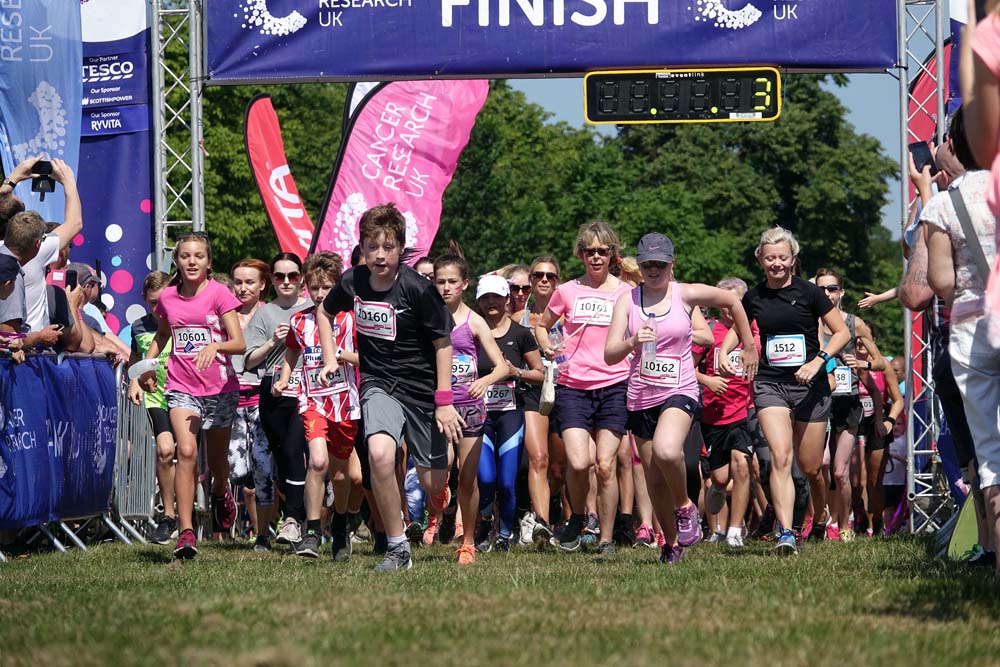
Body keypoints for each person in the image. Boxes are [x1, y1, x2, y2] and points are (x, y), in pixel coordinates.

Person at [316, 203, 462, 572]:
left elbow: (443, 343)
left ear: (400, 248)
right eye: (372, 246)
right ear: (362, 247)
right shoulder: (353, 280)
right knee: (380, 454)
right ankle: (398, 549)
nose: (380, 255)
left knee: (432, 485)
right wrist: (331, 356)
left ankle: (440, 488)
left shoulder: (418, 289)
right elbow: (325, 311)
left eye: (388, 247)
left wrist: (444, 402)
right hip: (379, 383)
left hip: (422, 389)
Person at [606, 234, 757, 564]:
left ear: (672, 264)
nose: (653, 269)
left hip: (679, 389)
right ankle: (671, 544)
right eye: (647, 264)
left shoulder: (685, 293)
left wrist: (746, 344)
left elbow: (733, 302)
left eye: (660, 263)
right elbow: (609, 355)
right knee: (653, 478)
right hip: (641, 395)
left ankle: (686, 507)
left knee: (666, 450)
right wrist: (633, 341)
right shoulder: (627, 300)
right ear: (640, 266)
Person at [723, 226, 850, 555]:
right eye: (770, 258)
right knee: (780, 457)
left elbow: (840, 334)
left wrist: (818, 361)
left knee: (810, 467)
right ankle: (786, 532)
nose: (776, 263)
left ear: (793, 259)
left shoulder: (810, 293)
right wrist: (726, 351)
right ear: (760, 260)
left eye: (782, 257)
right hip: (770, 384)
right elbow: (739, 326)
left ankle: (820, 517)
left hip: (810, 386)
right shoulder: (754, 297)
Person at [137, 233, 245, 559]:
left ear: (209, 263)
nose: (192, 261)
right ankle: (186, 532)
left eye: (199, 256)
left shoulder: (219, 294)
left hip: (220, 388)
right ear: (177, 261)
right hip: (181, 385)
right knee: (186, 452)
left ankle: (219, 492)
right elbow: (162, 334)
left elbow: (238, 342)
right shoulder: (168, 298)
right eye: (185, 256)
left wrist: (216, 345)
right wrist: (146, 366)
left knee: (217, 464)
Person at [925, 107, 1000, 577]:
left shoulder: (942, 205)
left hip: (975, 332)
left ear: (952, 145)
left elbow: (940, 281)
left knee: (991, 456)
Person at [535, 221, 633, 554]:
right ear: (580, 254)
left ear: (612, 255)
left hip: (614, 385)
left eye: (602, 251)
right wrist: (547, 345)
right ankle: (578, 516)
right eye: (589, 251)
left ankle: (606, 538)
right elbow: (542, 325)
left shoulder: (626, 293)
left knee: (605, 465)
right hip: (573, 386)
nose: (595, 257)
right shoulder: (567, 291)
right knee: (578, 463)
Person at [275, 252, 362, 561]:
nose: (320, 294)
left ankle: (339, 524)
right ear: (305, 289)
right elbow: (291, 350)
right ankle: (311, 531)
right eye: (314, 288)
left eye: (326, 287)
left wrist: (341, 356)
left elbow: (371, 359)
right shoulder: (299, 320)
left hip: (346, 404)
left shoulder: (350, 319)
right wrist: (285, 378)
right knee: (318, 462)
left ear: (338, 286)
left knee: (340, 476)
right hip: (313, 401)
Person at [434, 248, 510, 563]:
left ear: (465, 284)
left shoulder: (473, 321)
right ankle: (441, 500)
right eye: (440, 282)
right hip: (438, 408)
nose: (446, 287)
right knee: (437, 477)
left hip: (470, 409)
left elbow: (503, 366)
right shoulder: (427, 318)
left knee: (467, 478)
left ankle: (467, 541)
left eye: (452, 281)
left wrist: (486, 380)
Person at [813, 267, 887, 541]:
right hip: (817, 400)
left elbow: (880, 362)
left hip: (848, 402)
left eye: (832, 288)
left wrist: (863, 362)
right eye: (820, 289)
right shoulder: (810, 321)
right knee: (818, 464)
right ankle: (821, 520)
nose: (826, 294)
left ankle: (844, 527)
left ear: (841, 292)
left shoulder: (854, 323)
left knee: (840, 471)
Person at [243, 253, 311, 546]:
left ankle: (294, 519)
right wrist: (273, 341)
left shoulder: (313, 308)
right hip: (272, 389)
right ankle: (297, 514)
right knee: (283, 457)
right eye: (280, 276)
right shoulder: (265, 313)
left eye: (292, 276)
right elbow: (247, 361)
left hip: (306, 388)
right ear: (271, 279)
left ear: (302, 280)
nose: (286, 282)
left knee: (296, 450)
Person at [473, 274, 544, 552]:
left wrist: (517, 372)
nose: (491, 302)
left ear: (506, 299)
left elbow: (540, 373)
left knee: (506, 479)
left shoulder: (520, 334)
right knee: (486, 478)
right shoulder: (471, 332)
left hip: (511, 415)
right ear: (478, 301)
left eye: (496, 297)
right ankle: (485, 521)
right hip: (479, 416)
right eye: (485, 297)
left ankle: (504, 535)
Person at [697, 277, 759, 549]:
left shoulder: (755, 331)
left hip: (744, 411)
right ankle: (718, 493)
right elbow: (687, 367)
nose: (727, 309)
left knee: (742, 465)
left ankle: (734, 530)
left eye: (732, 303)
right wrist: (708, 380)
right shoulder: (710, 333)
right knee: (720, 478)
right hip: (713, 415)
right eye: (721, 303)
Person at [511, 256, 565, 546]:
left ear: (558, 281)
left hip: (566, 389)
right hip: (532, 391)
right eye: (538, 275)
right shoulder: (517, 319)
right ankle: (541, 522)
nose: (544, 280)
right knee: (539, 458)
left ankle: (553, 506)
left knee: (559, 469)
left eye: (551, 276)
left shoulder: (569, 316)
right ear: (530, 280)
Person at [0, 157, 82, 332]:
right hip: (30, 347)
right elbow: (75, 223)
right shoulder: (33, 248)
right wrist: (68, 182)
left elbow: (2, 209)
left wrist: (12, 179)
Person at [228, 259, 276, 551]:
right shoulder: (225, 314)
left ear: (262, 285)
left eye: (249, 282)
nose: (243, 288)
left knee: (263, 468)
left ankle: (263, 535)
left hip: (262, 397)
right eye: (238, 282)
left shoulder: (270, 314)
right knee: (238, 469)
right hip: (231, 399)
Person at [128, 271, 178, 545]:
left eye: (163, 303)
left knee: (187, 453)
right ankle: (167, 517)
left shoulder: (181, 320)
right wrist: (134, 379)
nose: (159, 310)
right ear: (144, 300)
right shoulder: (139, 327)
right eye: (153, 304)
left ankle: (188, 518)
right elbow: (136, 356)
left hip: (184, 393)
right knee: (165, 450)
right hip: (156, 395)